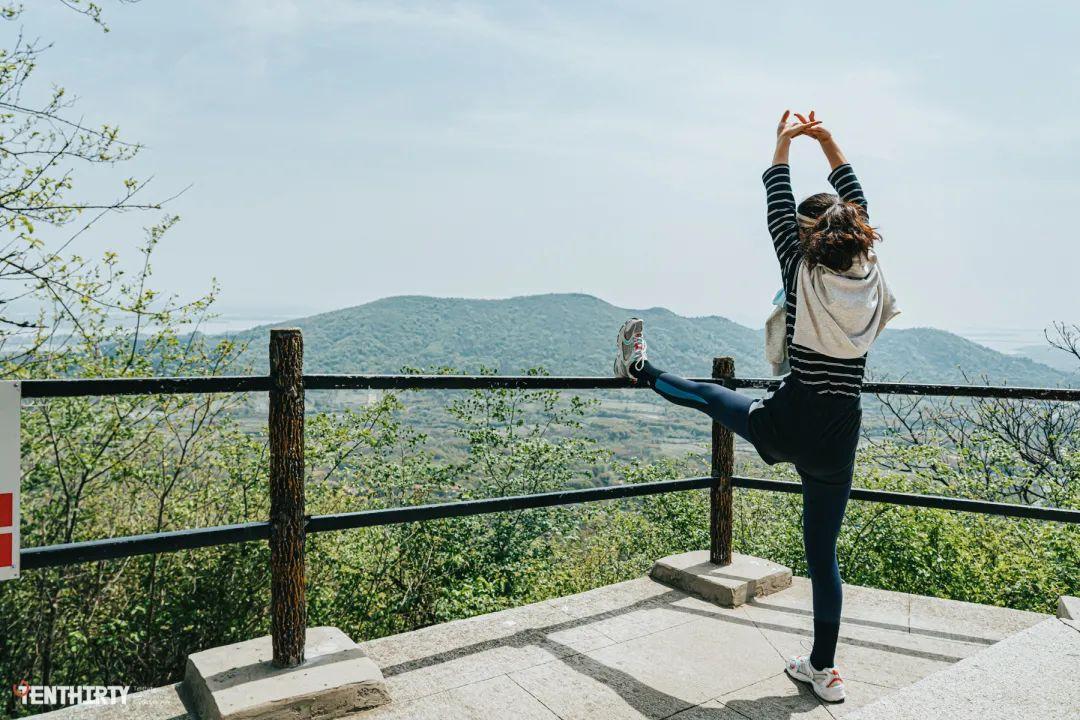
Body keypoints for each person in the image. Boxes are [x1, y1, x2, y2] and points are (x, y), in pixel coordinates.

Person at [613, 110, 898, 704]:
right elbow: (856, 205)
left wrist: (787, 142)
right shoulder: (870, 277)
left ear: (810, 236)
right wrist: (828, 143)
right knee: (824, 556)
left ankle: (639, 368)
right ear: (857, 233)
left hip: (794, 415)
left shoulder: (800, 272)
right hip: (841, 432)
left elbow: (776, 198)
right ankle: (824, 669)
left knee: (712, 397)